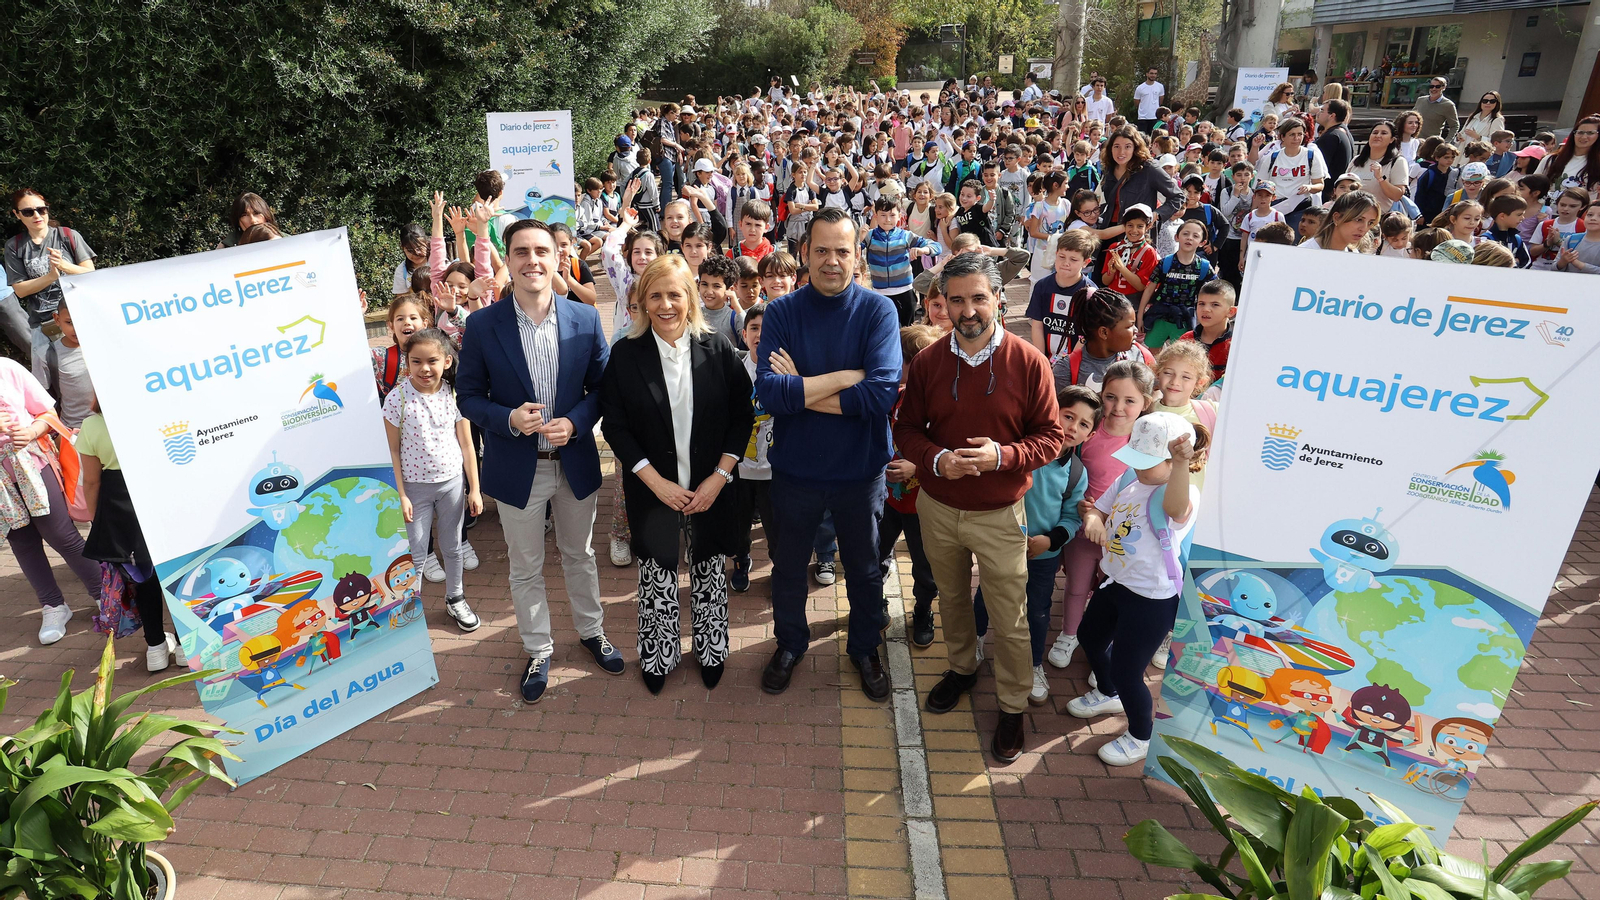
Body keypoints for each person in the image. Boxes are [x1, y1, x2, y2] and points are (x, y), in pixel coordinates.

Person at [892, 253, 1065, 763]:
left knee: (1009, 617)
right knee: (950, 598)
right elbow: (906, 430)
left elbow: (1052, 438)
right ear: (942, 303)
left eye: (978, 298)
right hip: (938, 508)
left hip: (998, 513)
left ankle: (1012, 706)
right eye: (957, 299)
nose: (967, 310)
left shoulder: (1029, 361)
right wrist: (936, 460)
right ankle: (964, 669)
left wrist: (1002, 456)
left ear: (997, 301)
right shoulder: (927, 363)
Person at [456, 219, 623, 704]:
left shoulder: (585, 319)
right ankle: (537, 648)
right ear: (508, 260)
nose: (533, 260)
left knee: (580, 555)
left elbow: (604, 389)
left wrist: (575, 422)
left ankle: (592, 633)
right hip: (516, 466)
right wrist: (506, 417)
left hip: (574, 461)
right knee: (525, 567)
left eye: (542, 251)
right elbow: (467, 397)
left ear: (558, 259)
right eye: (522, 251)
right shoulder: (484, 325)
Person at [755, 207, 901, 701]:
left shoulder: (879, 311)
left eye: (842, 250)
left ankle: (864, 647)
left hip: (860, 473)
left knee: (863, 569)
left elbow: (881, 396)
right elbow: (771, 396)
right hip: (795, 470)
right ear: (804, 254)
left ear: (856, 255)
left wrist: (803, 388)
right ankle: (790, 643)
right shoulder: (780, 312)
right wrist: (845, 377)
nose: (832, 261)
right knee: (789, 567)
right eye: (821, 250)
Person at [600, 255, 754, 694]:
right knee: (657, 573)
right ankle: (659, 654)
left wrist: (719, 477)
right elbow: (616, 426)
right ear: (643, 303)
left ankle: (711, 650)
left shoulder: (717, 348)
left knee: (708, 567)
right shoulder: (627, 355)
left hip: (711, 486)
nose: (666, 305)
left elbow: (741, 417)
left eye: (675, 294)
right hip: (653, 489)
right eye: (655, 296)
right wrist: (655, 481)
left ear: (690, 298)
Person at [1067, 411, 1207, 766]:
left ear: (1172, 460)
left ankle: (1141, 736)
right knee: (1090, 638)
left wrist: (1178, 466)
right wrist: (1093, 520)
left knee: (1130, 671)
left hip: (1152, 599)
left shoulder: (1182, 490)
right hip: (1115, 582)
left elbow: (1176, 510)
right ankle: (1107, 691)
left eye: (1149, 462)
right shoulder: (1130, 477)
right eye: (1136, 458)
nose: (1140, 468)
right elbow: (1096, 509)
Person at [969, 384, 1098, 704]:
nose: (1073, 427)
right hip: (1002, 547)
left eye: (1084, 424)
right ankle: (974, 639)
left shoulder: (1076, 473)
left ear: (1090, 435)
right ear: (1052, 411)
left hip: (1042, 555)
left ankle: (1034, 664)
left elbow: (1071, 518)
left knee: (1038, 611)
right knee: (987, 594)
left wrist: (1049, 541)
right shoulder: (1022, 448)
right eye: (1069, 416)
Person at [384, 326, 482, 632]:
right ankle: (411, 606)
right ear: (407, 362)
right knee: (416, 551)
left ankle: (456, 598)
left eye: (432, 361)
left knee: (453, 546)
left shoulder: (453, 395)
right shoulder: (397, 399)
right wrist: (401, 494)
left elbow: (468, 445)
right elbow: (393, 451)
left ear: (447, 362)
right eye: (416, 362)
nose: (424, 369)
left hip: (452, 484)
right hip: (415, 489)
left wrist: (475, 489)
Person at [0, 355, 101, 644]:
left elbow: (47, 414)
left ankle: (105, 596)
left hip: (33, 465)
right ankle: (53, 605)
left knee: (63, 535)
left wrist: (30, 431)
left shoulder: (6, 368)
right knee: (23, 544)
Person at [75, 401, 176, 671]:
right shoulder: (160, 409)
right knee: (179, 569)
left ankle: (155, 646)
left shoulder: (93, 425)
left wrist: (99, 521)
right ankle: (189, 645)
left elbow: (92, 480)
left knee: (143, 576)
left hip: (120, 506)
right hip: (166, 495)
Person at [880, 324, 943, 649]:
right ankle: (875, 603)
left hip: (924, 505)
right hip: (887, 500)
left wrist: (915, 466)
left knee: (925, 567)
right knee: (875, 553)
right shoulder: (894, 395)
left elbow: (950, 453)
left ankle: (922, 611)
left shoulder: (940, 405)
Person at [5, 189, 96, 381]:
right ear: (17, 214)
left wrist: (64, 266)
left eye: (41, 209)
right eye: (28, 212)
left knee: (89, 378)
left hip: (78, 321)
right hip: (44, 327)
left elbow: (91, 274)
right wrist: (51, 276)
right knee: (53, 385)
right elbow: (20, 290)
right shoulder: (14, 246)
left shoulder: (67, 235)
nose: (37, 215)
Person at [862, 197, 944, 326]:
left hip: (904, 292)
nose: (888, 219)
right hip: (880, 293)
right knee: (884, 327)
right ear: (876, 216)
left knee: (907, 329)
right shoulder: (869, 236)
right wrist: (859, 239)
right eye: (883, 215)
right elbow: (852, 249)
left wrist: (924, 250)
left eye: (892, 215)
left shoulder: (905, 235)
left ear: (899, 216)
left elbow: (937, 247)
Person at [1139, 219, 1214, 347]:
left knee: (1180, 355)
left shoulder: (1204, 267)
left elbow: (1215, 293)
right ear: (1177, 237)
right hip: (1160, 317)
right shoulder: (1165, 263)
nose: (1189, 238)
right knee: (1152, 354)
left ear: (1202, 242)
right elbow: (1149, 289)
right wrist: (1140, 316)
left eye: (1195, 236)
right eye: (1185, 234)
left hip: (1185, 321)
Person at [1026, 230, 1098, 359]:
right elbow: (1037, 325)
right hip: (1046, 357)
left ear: (1085, 262)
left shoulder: (1090, 292)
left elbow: (1087, 334)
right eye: (1062, 256)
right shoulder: (1042, 286)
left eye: (1073, 259)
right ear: (1056, 254)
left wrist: (1068, 364)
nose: (1066, 263)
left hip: (1076, 361)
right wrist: (1041, 359)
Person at [1097, 127, 1180, 233]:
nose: (1121, 152)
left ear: (1135, 148)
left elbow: (1178, 196)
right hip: (1110, 231)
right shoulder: (1109, 168)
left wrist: (1156, 215)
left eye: (1127, 146)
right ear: (1110, 148)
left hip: (1137, 235)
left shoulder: (1148, 168)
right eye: (1116, 146)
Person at [1262, 119, 1328, 234]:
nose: (1296, 138)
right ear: (1282, 137)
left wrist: (1309, 187)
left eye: (1300, 134)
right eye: (1292, 134)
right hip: (1275, 206)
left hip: (1299, 207)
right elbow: (1261, 184)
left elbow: (1320, 184)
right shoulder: (1272, 157)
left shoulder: (1311, 156)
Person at [43, 298, 93, 430]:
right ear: (57, 319)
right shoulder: (47, 354)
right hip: (74, 430)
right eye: (69, 322)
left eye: (81, 321)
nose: (76, 329)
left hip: (110, 427)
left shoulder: (107, 347)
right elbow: (40, 401)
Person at [1539, 115, 1600, 192]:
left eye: (1590, 133)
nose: (1584, 137)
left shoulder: (1597, 165)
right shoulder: (1551, 159)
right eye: (1580, 132)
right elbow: (1533, 186)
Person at [1307, 190, 1379, 252]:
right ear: (1337, 218)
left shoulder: (1354, 254)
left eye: (1370, 223)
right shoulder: (1306, 251)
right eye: (1359, 219)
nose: (1364, 228)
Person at [1313, 100, 1354, 204]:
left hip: (1327, 195)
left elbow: (1318, 169)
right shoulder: (1343, 132)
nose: (1318, 112)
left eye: (1322, 110)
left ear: (1332, 115)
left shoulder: (1330, 137)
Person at [1555, 200, 1600, 273]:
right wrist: (1562, 262)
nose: (1593, 218)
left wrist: (1578, 264)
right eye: (1590, 215)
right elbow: (1554, 268)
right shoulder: (1571, 239)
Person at [1134, 68, 1165, 134]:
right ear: (1147, 74)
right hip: (1142, 117)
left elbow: (1161, 100)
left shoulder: (1160, 86)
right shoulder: (1140, 88)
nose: (1153, 75)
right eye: (1151, 73)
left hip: (1155, 117)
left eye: (1155, 74)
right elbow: (1136, 102)